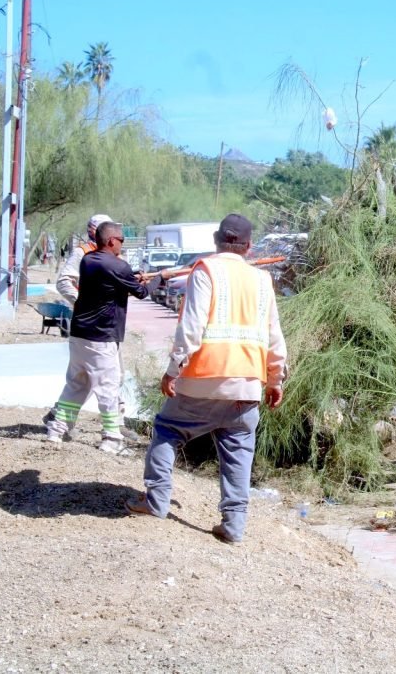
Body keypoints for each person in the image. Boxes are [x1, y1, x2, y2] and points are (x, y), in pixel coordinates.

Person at [126, 214, 287, 545]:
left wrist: (173, 370)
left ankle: (156, 500)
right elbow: (275, 336)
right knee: (239, 450)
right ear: (249, 246)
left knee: (168, 430)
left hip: (202, 380)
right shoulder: (262, 280)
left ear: (216, 241)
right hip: (247, 384)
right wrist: (275, 379)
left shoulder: (206, 271)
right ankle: (234, 525)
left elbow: (192, 327)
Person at [45, 222, 151, 453]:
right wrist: (150, 281)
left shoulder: (88, 260)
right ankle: (112, 439)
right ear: (111, 240)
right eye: (121, 240)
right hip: (101, 337)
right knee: (108, 388)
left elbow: (111, 282)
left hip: (79, 334)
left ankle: (56, 429)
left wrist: (132, 278)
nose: (122, 244)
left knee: (77, 384)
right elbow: (141, 293)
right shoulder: (119, 265)